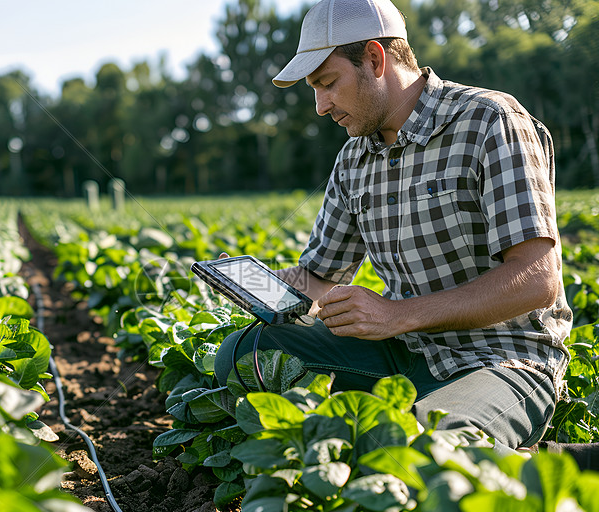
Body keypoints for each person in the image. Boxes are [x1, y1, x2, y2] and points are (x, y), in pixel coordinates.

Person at [214, 0, 573, 453]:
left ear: (375, 59)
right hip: (404, 353)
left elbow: (536, 280)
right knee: (246, 354)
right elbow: (321, 278)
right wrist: (263, 287)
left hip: (502, 358)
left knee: (432, 452)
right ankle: (389, 433)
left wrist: (397, 315)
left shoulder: (489, 121)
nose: (321, 106)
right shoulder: (354, 158)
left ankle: (575, 462)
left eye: (327, 84)